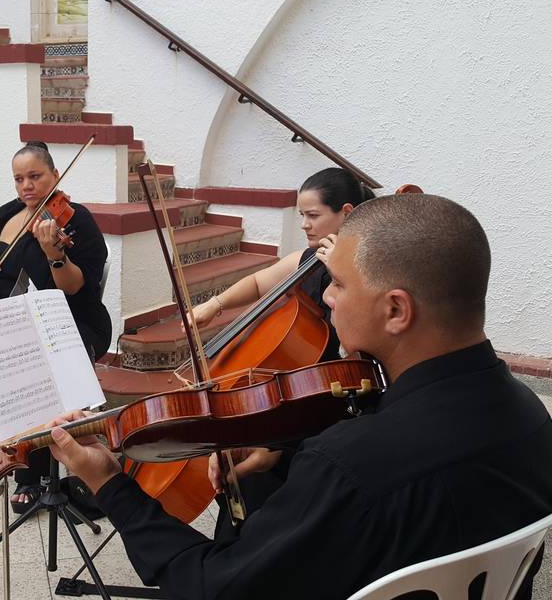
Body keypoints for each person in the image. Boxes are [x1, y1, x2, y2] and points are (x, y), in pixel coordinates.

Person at [48, 193, 552, 599]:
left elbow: (209, 586)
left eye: (335, 283)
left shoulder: (348, 465)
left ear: (397, 310)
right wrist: (281, 452)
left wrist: (110, 484)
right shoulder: (532, 417)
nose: (325, 297)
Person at [192, 167, 375, 534]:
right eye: (301, 216)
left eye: (313, 215)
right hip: (297, 392)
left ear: (347, 213)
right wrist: (213, 306)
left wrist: (343, 269)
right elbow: (260, 281)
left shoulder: (364, 269)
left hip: (335, 402)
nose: (305, 225)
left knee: (259, 480)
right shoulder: (308, 259)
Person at [0, 140, 112, 513]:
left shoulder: (76, 220)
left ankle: (36, 473)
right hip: (11, 325)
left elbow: (78, 290)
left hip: (73, 325)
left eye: (35, 176)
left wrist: (56, 256)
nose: (26, 186)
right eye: (19, 178)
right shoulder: (9, 213)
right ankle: (18, 454)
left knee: (30, 364)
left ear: (54, 175)